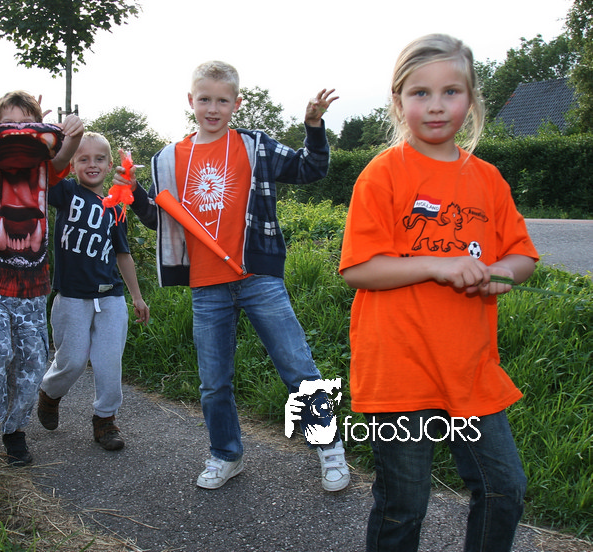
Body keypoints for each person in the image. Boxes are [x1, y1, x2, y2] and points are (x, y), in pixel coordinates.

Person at [338, 34, 537, 552]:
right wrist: (437, 265)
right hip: (400, 371)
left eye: (451, 91)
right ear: (398, 101)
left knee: (504, 489)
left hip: (471, 370)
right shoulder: (383, 173)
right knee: (404, 504)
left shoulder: (488, 179)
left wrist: (498, 273)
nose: (436, 105)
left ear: (471, 99)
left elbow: (522, 257)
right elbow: (359, 268)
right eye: (420, 93)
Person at [116, 60, 350, 491]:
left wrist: (314, 126)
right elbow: (161, 221)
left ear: (236, 104)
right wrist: (133, 193)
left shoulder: (255, 145)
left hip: (258, 276)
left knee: (298, 367)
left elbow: (310, 168)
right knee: (213, 383)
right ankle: (226, 454)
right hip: (206, 286)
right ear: (191, 100)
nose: (213, 108)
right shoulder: (167, 158)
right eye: (205, 99)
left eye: (222, 101)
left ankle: (329, 446)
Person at [0, 90, 83, 466]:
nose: (17, 130)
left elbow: (63, 154)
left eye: (26, 124)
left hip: (32, 289)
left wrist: (74, 132)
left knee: (31, 366)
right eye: (8, 123)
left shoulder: (45, 166)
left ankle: (14, 431)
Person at [36, 132, 150, 451]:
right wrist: (57, 142)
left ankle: (105, 420)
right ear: (72, 165)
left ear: (110, 165)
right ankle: (50, 394)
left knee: (108, 361)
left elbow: (123, 254)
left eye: (100, 159)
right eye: (83, 159)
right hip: (72, 296)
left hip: (111, 296)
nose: (92, 164)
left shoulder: (114, 206)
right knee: (71, 361)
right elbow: (46, 172)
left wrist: (137, 297)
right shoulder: (66, 192)